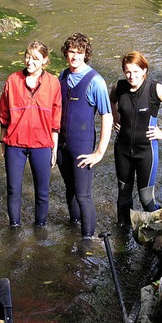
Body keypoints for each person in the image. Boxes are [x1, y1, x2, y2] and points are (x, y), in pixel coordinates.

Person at [110, 51, 162, 227]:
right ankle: (123, 236)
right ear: (123, 71)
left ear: (144, 70)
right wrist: (115, 118)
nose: (131, 76)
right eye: (127, 72)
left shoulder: (154, 89)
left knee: (146, 197)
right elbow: (111, 100)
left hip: (146, 151)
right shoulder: (119, 87)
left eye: (136, 71)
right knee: (123, 193)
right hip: (123, 149)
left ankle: (160, 230)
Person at [0, 41, 61, 227]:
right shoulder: (13, 80)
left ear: (45, 60)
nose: (29, 61)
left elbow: (56, 118)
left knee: (42, 192)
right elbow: (3, 112)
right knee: (13, 189)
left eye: (35, 58)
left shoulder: (53, 83)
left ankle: (40, 228)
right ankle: (14, 227)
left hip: (42, 144)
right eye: (27, 56)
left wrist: (54, 147)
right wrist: (2, 140)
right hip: (14, 144)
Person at [57, 33, 113, 239]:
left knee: (83, 195)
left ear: (85, 54)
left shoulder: (95, 81)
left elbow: (106, 116)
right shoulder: (62, 77)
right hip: (63, 147)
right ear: (66, 53)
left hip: (83, 148)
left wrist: (99, 152)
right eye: (71, 52)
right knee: (69, 190)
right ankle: (73, 230)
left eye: (79, 53)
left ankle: (87, 241)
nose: (74, 57)